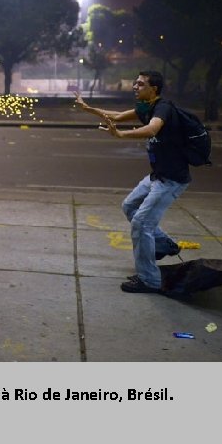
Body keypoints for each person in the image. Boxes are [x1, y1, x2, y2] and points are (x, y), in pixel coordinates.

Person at [74, 70, 188, 294]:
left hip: (171, 180)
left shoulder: (162, 108)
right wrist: (88, 108)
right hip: (157, 176)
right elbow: (115, 116)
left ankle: (149, 280)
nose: (135, 86)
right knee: (129, 207)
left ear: (153, 88)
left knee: (142, 223)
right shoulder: (145, 108)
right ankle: (165, 245)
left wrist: (122, 136)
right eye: (135, 83)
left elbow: (153, 129)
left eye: (140, 83)